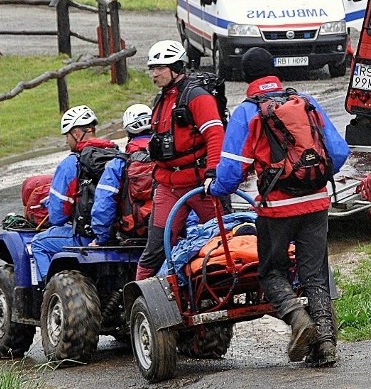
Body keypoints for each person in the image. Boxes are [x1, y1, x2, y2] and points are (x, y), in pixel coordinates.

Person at [206, 47, 350, 367]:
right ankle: (326, 344)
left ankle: (299, 320)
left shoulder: (247, 112)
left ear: (246, 77)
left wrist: (213, 187)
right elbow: (339, 153)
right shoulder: (305, 101)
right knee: (314, 275)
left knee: (271, 271)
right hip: (316, 203)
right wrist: (312, 181)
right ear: (274, 71)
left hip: (277, 209)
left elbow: (230, 175)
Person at [134, 40, 226, 281]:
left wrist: (213, 172)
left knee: (225, 240)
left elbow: (215, 134)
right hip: (168, 186)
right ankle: (140, 303)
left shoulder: (197, 97)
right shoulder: (162, 99)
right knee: (154, 251)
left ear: (176, 67)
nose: (154, 73)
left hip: (200, 186)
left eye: (159, 68)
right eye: (152, 68)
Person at [30, 105, 119, 281]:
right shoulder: (116, 155)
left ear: (77, 133)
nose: (66, 141)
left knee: (38, 243)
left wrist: (50, 203)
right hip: (117, 235)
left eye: (67, 135)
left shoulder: (71, 163)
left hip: (86, 237)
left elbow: (57, 216)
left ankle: (48, 296)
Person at [88, 104, 153, 246]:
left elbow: (103, 204)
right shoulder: (169, 159)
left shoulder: (119, 163)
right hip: (169, 233)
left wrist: (102, 239)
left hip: (132, 235)